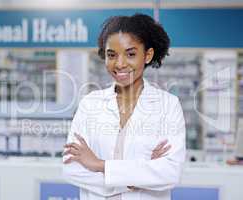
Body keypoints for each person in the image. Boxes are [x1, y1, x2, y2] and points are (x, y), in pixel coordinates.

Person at [62, 13, 186, 200]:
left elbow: (170, 173)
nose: (119, 64)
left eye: (130, 54)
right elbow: (71, 169)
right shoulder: (90, 104)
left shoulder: (168, 105)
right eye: (111, 55)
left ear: (147, 55)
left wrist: (100, 165)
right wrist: (139, 176)